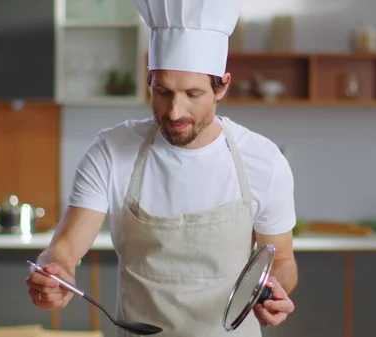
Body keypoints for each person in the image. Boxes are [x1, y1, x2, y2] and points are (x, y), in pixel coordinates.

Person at [26, 0, 298, 335]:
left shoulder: (263, 160)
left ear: (222, 87)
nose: (174, 111)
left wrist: (275, 289)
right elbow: (64, 249)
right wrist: (53, 271)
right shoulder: (111, 151)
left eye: (193, 94)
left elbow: (283, 259)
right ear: (149, 81)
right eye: (163, 92)